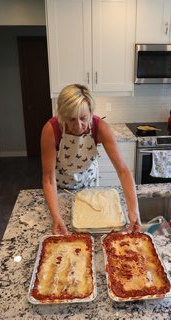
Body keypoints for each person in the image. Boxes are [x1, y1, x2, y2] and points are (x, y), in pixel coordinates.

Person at [41, 84, 140, 235]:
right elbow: (48, 179)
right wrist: (56, 216)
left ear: (91, 112)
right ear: (62, 115)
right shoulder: (51, 130)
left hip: (91, 190)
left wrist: (134, 211)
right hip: (60, 192)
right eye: (71, 119)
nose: (78, 126)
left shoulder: (100, 128)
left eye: (83, 118)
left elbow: (123, 171)